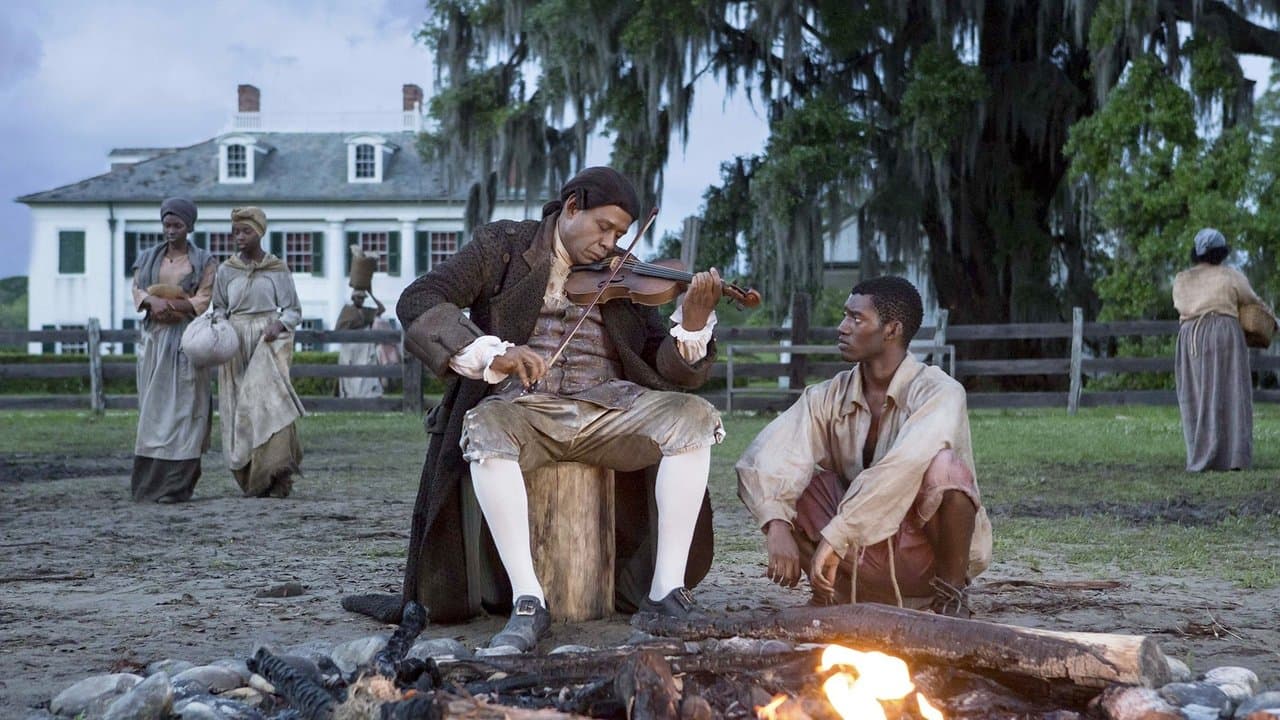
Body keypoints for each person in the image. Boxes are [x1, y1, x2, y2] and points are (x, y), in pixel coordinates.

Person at [345, 167, 722, 652]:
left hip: (610, 408)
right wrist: (490, 352)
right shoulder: (502, 246)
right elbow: (420, 298)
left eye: (620, 234)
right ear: (572, 208)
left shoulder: (626, 271)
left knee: (694, 417)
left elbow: (658, 361)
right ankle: (528, 598)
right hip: (524, 407)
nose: (610, 244)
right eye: (603, 227)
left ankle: (665, 592)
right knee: (484, 426)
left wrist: (691, 325)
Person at [736, 276, 992, 617]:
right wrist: (776, 523)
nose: (842, 327)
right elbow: (767, 455)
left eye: (856, 318)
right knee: (798, 483)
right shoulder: (826, 396)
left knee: (947, 470)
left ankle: (951, 597)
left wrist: (840, 532)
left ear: (892, 330)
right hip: (855, 558)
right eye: (845, 315)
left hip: (922, 560)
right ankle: (834, 595)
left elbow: (904, 465)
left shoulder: (940, 392)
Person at [211, 207, 305, 498]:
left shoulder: (277, 269)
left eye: (246, 231)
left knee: (272, 407)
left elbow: (293, 310)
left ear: (260, 232)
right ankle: (252, 477)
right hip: (235, 344)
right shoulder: (226, 271)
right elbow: (219, 307)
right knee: (240, 408)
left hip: (267, 344)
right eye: (236, 232)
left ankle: (278, 476)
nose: (240, 237)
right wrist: (222, 327)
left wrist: (279, 324)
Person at [129, 197, 217, 503]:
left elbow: (203, 298)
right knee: (155, 410)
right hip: (156, 339)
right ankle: (149, 485)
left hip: (185, 340)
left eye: (177, 225)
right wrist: (152, 302)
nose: (171, 230)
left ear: (189, 226)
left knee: (185, 409)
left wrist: (174, 306)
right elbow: (137, 289)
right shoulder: (148, 259)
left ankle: (177, 486)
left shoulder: (203, 261)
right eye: (167, 225)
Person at [1172, 228, 1275, 472]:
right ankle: (1233, 457)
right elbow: (1252, 301)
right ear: (1221, 252)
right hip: (1223, 333)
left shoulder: (1181, 279)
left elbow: (1180, 304)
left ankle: (1201, 454)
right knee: (1231, 391)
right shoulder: (1231, 276)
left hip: (1189, 338)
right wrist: (1273, 321)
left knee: (1197, 394)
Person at [334, 290, 386, 399]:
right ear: (353, 298)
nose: (361, 300)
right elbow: (339, 328)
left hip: (364, 349)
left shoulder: (366, 312)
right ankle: (351, 397)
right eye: (358, 298)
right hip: (350, 349)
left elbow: (381, 309)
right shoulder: (347, 311)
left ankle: (366, 397)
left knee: (365, 375)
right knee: (350, 376)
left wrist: (371, 293)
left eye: (362, 298)